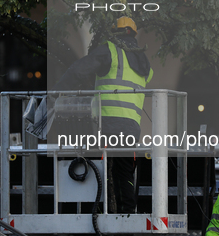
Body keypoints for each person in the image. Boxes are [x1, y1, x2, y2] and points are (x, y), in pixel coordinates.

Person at [53, 16, 153, 213]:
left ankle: (97, 210)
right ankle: (127, 213)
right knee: (124, 171)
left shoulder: (111, 50)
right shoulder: (144, 62)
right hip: (132, 125)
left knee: (96, 167)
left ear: (116, 33)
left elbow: (79, 71)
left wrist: (57, 91)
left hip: (107, 123)